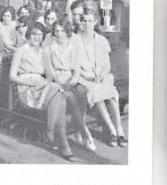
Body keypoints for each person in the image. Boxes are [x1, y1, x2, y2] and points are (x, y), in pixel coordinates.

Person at [9, 22, 76, 161]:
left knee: (58, 93)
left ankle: (51, 129)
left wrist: (43, 84)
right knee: (61, 99)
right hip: (26, 87)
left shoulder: (44, 51)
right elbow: (12, 76)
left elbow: (50, 77)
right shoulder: (21, 50)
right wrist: (29, 82)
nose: (37, 37)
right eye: (34, 34)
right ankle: (64, 145)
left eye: (40, 34)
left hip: (41, 85)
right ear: (29, 34)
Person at [75, 8, 127, 148]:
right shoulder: (75, 40)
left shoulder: (101, 40)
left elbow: (107, 66)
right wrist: (88, 76)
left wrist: (101, 76)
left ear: (95, 21)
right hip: (85, 78)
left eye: (90, 21)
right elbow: (74, 66)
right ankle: (112, 131)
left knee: (110, 94)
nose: (87, 24)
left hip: (102, 76)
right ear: (81, 22)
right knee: (97, 93)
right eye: (84, 20)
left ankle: (120, 131)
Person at [45, 17, 96, 152]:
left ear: (67, 31)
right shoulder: (49, 48)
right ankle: (85, 133)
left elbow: (77, 71)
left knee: (79, 93)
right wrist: (61, 83)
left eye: (62, 31)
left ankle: (82, 133)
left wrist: (71, 81)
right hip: (56, 82)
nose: (58, 33)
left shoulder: (74, 48)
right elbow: (51, 73)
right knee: (71, 99)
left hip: (71, 79)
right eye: (56, 31)